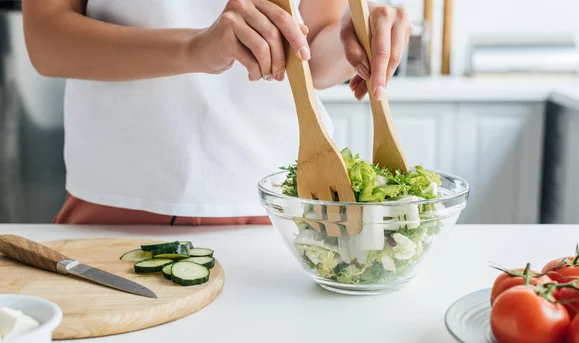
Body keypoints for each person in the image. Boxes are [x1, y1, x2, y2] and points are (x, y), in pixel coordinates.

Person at [22, 0, 412, 226]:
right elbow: (46, 39)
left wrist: (354, 36)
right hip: (119, 198)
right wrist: (196, 48)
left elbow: (313, 55)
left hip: (283, 204)